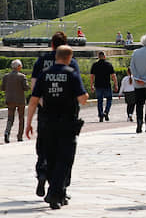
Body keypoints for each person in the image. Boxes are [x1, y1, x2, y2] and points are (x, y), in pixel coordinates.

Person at [25, 46, 88, 209]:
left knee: (51, 158)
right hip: (67, 123)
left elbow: (33, 100)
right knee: (65, 159)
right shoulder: (71, 73)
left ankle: (54, 191)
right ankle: (55, 192)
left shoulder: (44, 74)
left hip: (48, 122)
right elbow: (82, 99)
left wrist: (29, 122)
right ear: (69, 57)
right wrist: (84, 95)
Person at [30, 32, 81, 197]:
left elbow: (33, 86)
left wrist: (44, 103)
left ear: (52, 45)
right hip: (67, 114)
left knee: (44, 147)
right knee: (65, 153)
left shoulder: (42, 61)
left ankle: (42, 172)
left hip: (46, 112)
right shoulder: (71, 62)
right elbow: (79, 91)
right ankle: (62, 187)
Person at [2, 59, 29, 143]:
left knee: (10, 118)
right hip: (20, 100)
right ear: (18, 67)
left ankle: (7, 132)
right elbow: (26, 88)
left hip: (9, 100)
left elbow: (2, 88)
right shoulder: (22, 76)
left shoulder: (6, 76)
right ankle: (19, 136)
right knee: (21, 118)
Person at [90, 51, 118, 123]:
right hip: (107, 85)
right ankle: (106, 112)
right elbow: (113, 76)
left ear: (98, 57)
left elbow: (92, 76)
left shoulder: (95, 65)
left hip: (98, 85)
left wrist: (91, 85)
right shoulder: (108, 65)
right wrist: (116, 84)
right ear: (105, 56)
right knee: (109, 99)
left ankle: (101, 115)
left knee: (100, 101)